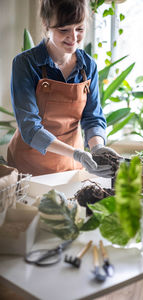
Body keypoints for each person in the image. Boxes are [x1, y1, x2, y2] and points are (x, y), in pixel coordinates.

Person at [7, 0, 120, 177]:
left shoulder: (88, 66)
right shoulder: (25, 64)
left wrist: (97, 147)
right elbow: (29, 127)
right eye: (64, 30)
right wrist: (77, 154)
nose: (74, 38)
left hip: (72, 166)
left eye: (80, 29)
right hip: (29, 166)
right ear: (46, 24)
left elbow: (92, 117)